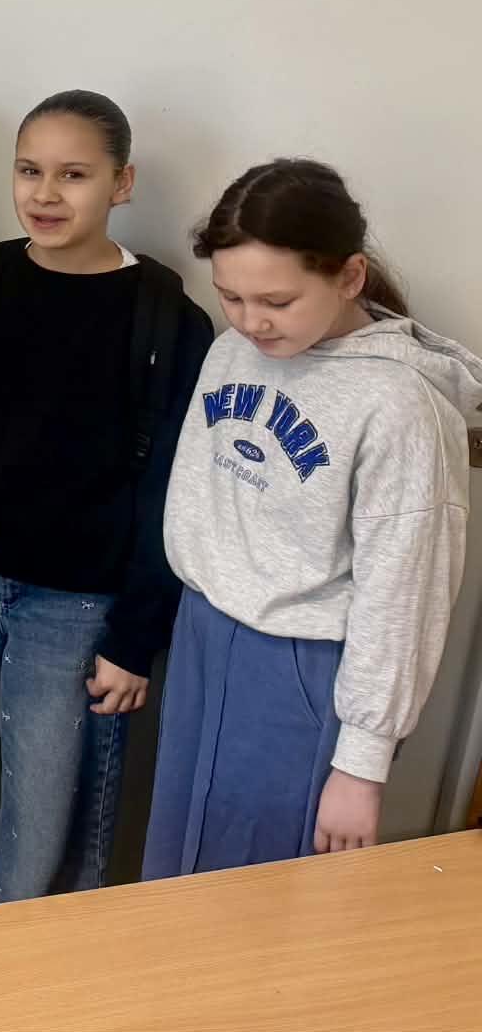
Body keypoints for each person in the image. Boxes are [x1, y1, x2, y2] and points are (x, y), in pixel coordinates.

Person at [0, 90, 211, 919]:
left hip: (79, 608)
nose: (45, 193)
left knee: (47, 814)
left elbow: (171, 494)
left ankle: (22, 977)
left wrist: (134, 637)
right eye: (29, 170)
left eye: (73, 174)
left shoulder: (167, 318)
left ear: (122, 182)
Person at [145, 159, 478, 876]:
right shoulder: (230, 350)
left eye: (277, 299)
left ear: (350, 276)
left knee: (260, 886)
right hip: (203, 630)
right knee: (175, 869)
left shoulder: (399, 406)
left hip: (303, 663)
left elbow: (404, 594)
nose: (251, 320)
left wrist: (362, 765)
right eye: (231, 296)